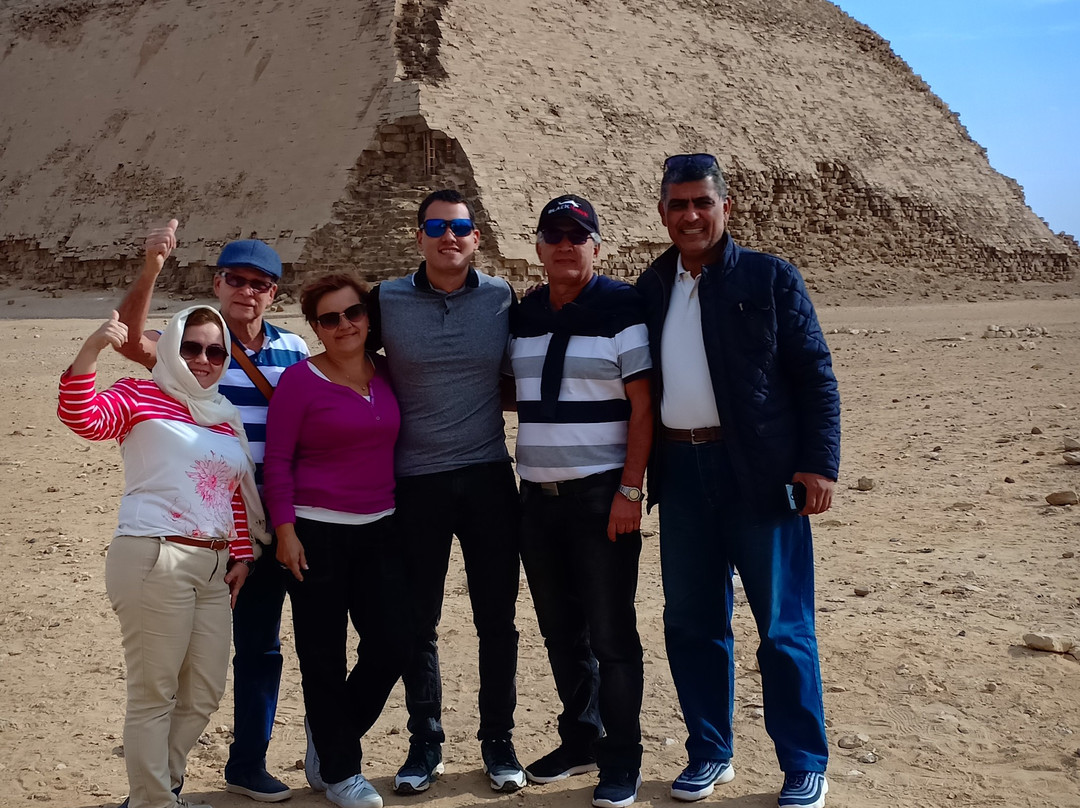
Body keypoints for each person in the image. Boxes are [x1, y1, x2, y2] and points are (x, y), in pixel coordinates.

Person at [635, 154, 840, 808]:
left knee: (781, 624)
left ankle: (805, 761)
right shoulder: (653, 285)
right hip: (682, 472)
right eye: (678, 204)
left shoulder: (770, 277)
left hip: (759, 473)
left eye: (702, 202)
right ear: (662, 211)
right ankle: (710, 751)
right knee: (691, 620)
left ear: (727, 207)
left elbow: (815, 376)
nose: (691, 215)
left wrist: (819, 463)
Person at [116, 221, 309, 803]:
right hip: (208, 528)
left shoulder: (295, 351)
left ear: (275, 293)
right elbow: (127, 336)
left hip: (276, 519)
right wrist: (151, 265)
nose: (246, 291)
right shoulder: (190, 346)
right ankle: (159, 786)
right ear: (216, 283)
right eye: (235, 280)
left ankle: (248, 764)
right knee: (187, 670)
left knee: (263, 651)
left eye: (261, 283)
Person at [58, 305, 262, 808]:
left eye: (216, 351)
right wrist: (91, 349)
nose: (203, 359)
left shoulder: (221, 415)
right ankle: (154, 800)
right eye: (191, 347)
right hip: (155, 557)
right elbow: (81, 416)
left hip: (214, 569)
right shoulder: (140, 395)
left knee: (203, 692)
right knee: (155, 693)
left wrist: (242, 555)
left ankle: (158, 792)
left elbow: (230, 492)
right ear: (171, 347)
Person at [366, 189, 525, 794]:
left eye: (459, 227)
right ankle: (425, 743)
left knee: (497, 620)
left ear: (476, 236)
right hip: (415, 481)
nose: (448, 237)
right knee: (418, 621)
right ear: (419, 236)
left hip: (487, 475)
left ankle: (498, 741)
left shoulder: (501, 298)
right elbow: (351, 356)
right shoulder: (386, 299)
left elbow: (524, 369)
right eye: (436, 227)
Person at [509, 196, 653, 808]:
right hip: (535, 498)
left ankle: (622, 757)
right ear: (538, 246)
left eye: (578, 235)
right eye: (554, 235)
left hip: (600, 496)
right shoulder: (523, 313)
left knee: (612, 632)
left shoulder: (622, 307)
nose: (565, 244)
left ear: (598, 246)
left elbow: (643, 408)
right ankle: (581, 737)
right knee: (560, 629)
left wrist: (628, 490)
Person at [263, 274, 407, 808]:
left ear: (369, 317)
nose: (344, 325)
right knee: (322, 655)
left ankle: (328, 735)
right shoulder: (300, 381)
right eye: (329, 318)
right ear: (316, 328)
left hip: (382, 528)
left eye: (353, 313)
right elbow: (277, 460)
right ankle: (343, 771)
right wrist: (285, 532)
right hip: (315, 532)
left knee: (394, 642)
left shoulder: (389, 371)